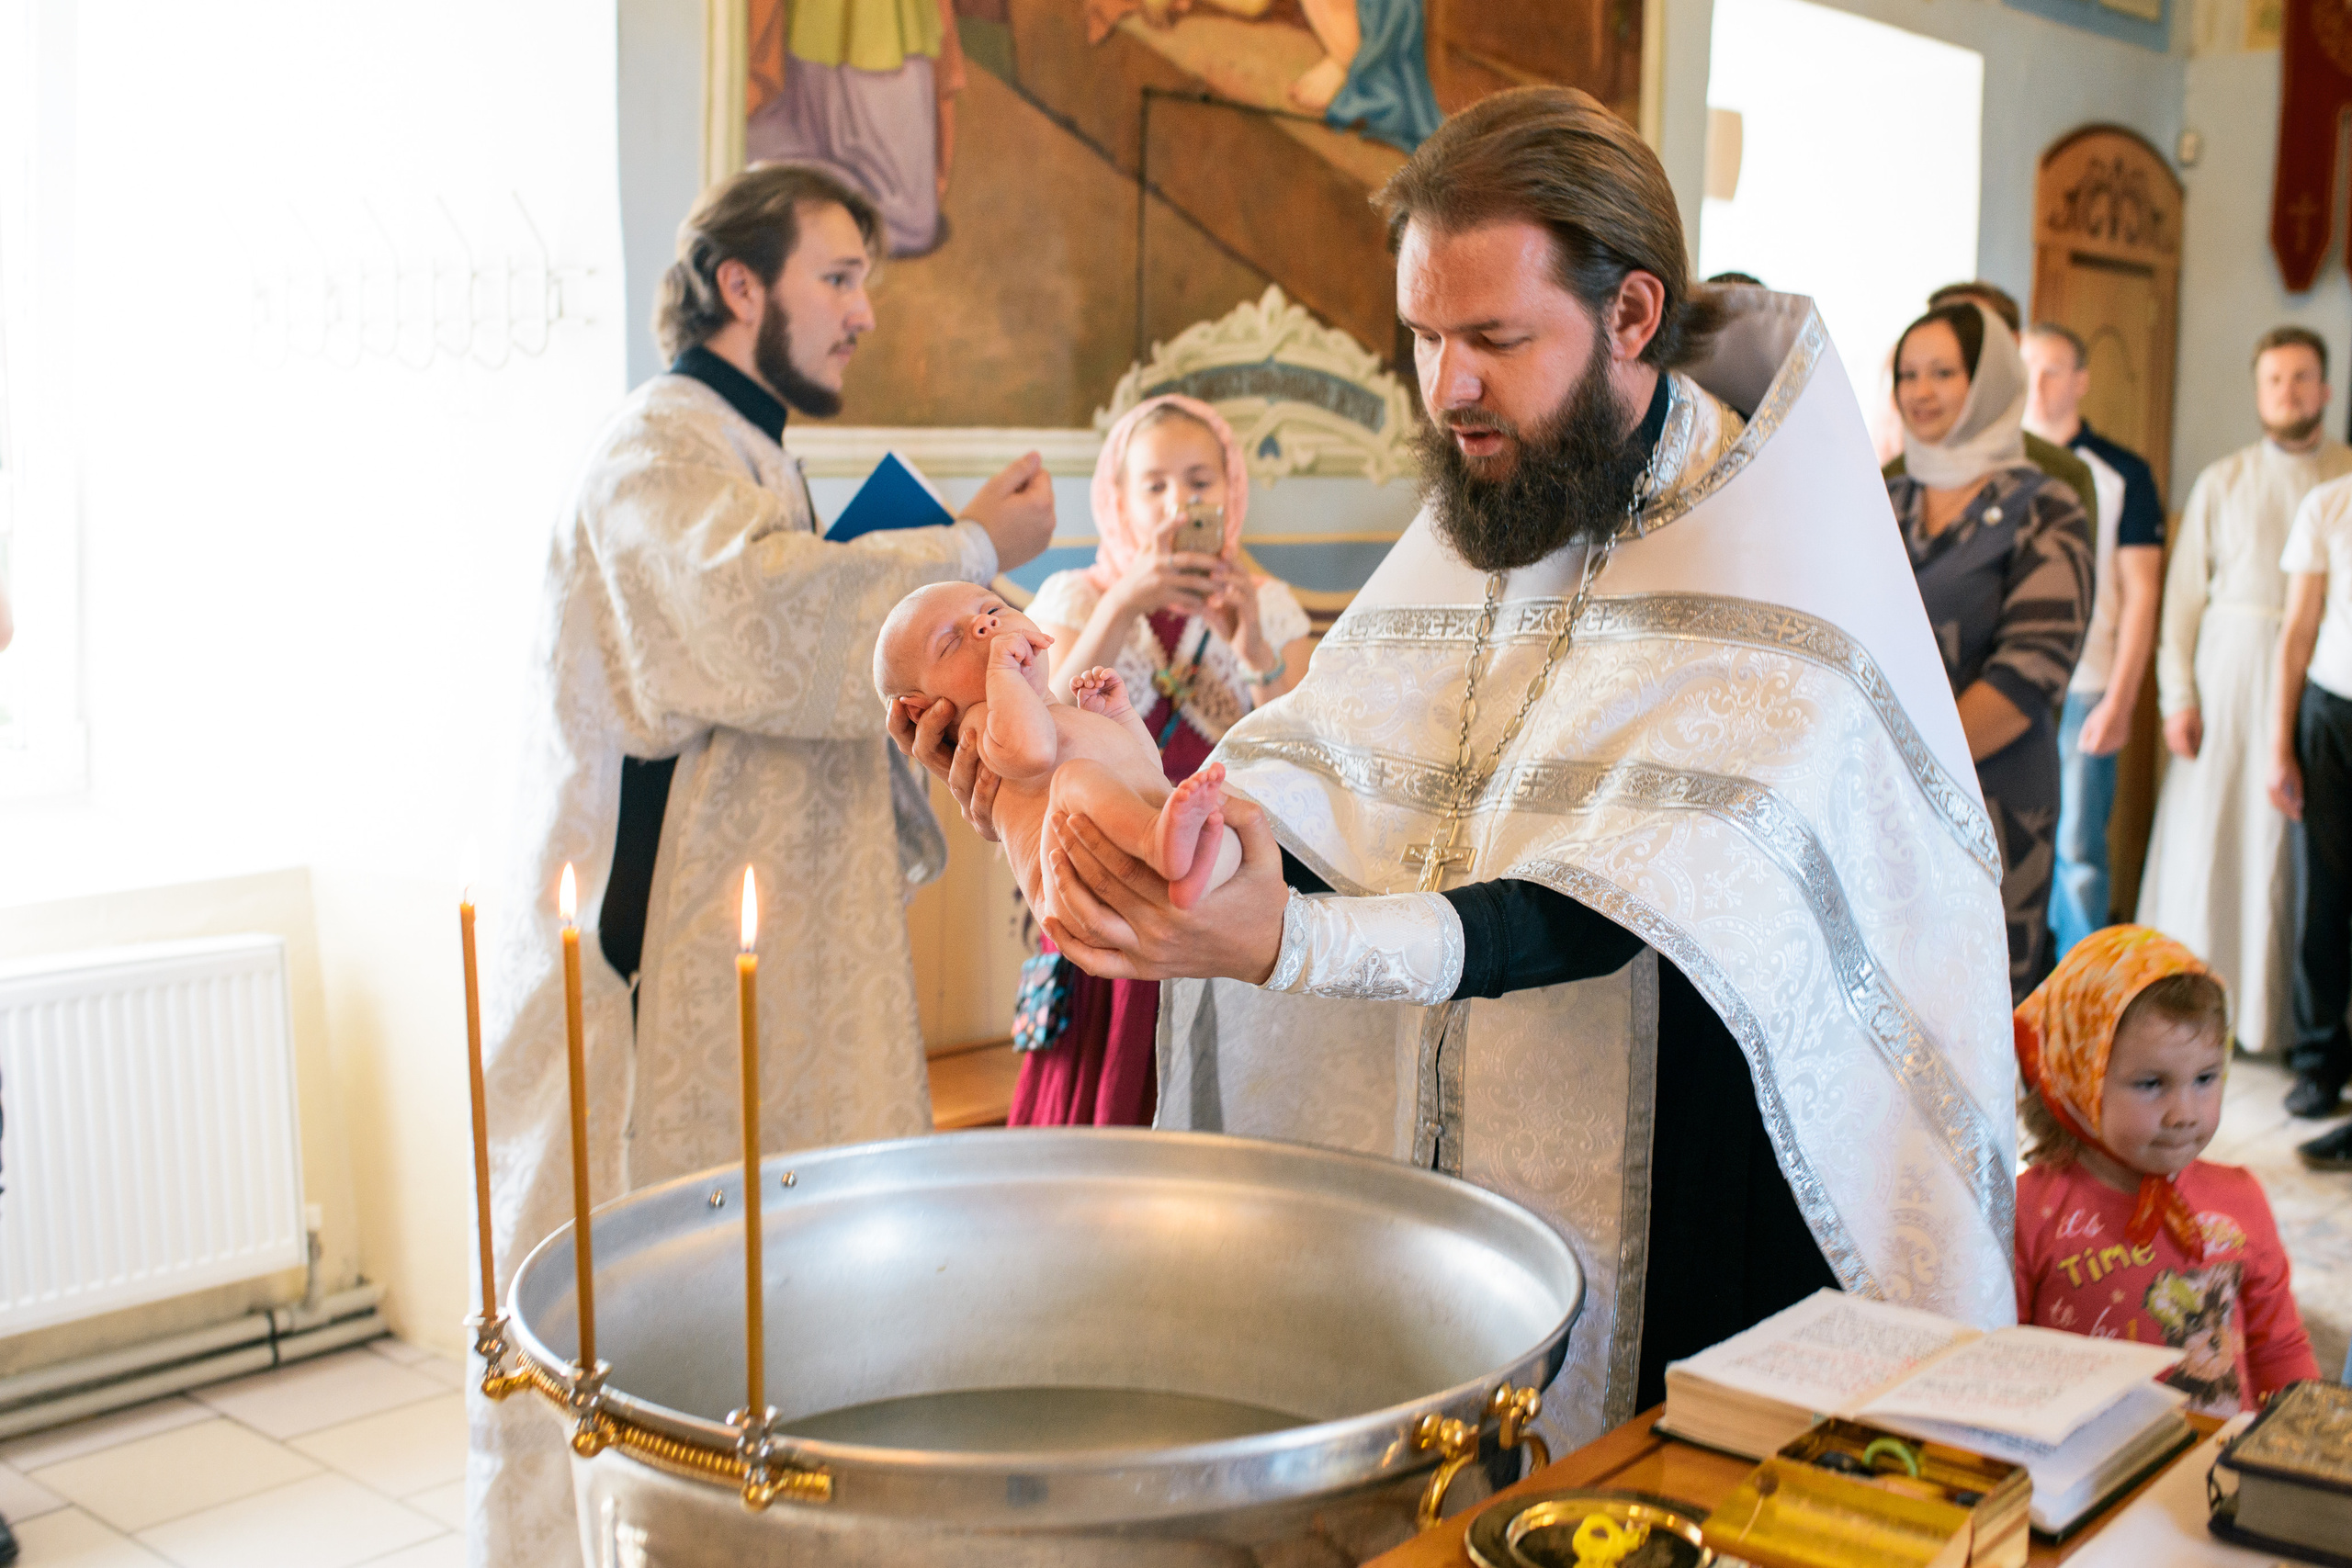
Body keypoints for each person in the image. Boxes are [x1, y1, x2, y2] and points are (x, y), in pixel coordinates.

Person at [897, 85, 2020, 1453]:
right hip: (1464, 1163)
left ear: (1631, 314)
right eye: (1424, 335)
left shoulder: (1775, 563)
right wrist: (1106, 808)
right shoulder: (1500, 494)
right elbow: (1334, 783)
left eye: (1492, 338)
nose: (1445, 390)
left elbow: (1610, 903)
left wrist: (1290, 942)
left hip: (1693, 1171)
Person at [468, 164, 1054, 1568]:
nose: (863, 312)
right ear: (742, 285)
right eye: (838, 277)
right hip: (653, 968)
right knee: (646, 1317)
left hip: (760, 957)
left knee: (784, 1302)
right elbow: (746, 618)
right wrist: (973, 546)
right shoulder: (657, 446)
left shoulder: (748, 450)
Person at [1008, 395, 1312, 1128]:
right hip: (1106, 870)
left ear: (1230, 493)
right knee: (1109, 1093)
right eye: (1155, 485)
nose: (1179, 502)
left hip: (1225, 881)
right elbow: (1037, 723)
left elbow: (1307, 751)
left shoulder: (1268, 604)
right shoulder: (1077, 596)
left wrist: (1252, 647)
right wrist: (1122, 605)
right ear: (1117, 501)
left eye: (1200, 482)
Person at [2139, 327, 2352, 1070]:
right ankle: (2194, 1011)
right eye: (2275, 380)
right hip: (2229, 683)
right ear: (2260, 391)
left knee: (2304, 862)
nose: (2289, 392)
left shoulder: (2345, 480)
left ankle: (2287, 1020)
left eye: (2302, 377)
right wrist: (2178, 696)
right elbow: (2181, 605)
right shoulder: (2222, 480)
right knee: (2217, 845)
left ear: (2326, 388)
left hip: (2322, 684)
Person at [2014, 926, 2319, 1415]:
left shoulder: (2240, 1198)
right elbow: (2000, 1366)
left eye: (2205, 1078)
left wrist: (2307, 1440)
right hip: (2088, 1460)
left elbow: (2279, 1350)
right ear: (2078, 1073)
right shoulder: (2029, 1213)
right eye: (2151, 1083)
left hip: (2222, 1459)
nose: (2184, 1113)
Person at [1887, 301, 2094, 1000]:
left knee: (1972, 1007)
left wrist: (1904, 761)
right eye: (1908, 374)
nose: (1921, 391)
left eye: (1943, 373)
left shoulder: (2047, 506)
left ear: (1989, 382)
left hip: (1990, 802)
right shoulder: (1881, 495)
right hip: (1876, 800)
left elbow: (2029, 672)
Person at [876, 582, 1243, 909]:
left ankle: (1197, 876)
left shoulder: (1058, 713)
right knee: (1074, 778)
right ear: (922, 710)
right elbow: (1035, 753)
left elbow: (1147, 771)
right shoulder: (980, 719)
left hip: (1141, 851)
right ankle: (1157, 842)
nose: (984, 624)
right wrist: (1002, 670)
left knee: (1228, 832)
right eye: (950, 643)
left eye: (993, 609)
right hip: (1076, 872)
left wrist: (1119, 718)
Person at [2021, 323, 2166, 960]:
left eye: (2053, 369)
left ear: (2081, 380)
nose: (2038, 383)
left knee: (2077, 854)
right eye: (2028, 368)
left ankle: (2083, 990)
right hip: (2005, 685)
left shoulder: (2121, 472)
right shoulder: (1996, 460)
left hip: (2086, 686)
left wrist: (2122, 700)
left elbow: (2142, 594)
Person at [2266, 470, 2352, 1163]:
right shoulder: (2330, 503)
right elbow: (2298, 630)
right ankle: (2319, 1063)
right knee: (2322, 900)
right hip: (2331, 716)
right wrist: (2279, 746)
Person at [1883, 282, 2102, 536]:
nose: (1923, 392)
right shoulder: (1892, 481)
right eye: (1909, 375)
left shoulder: (2059, 481)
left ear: (2010, 344)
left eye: (1972, 333)